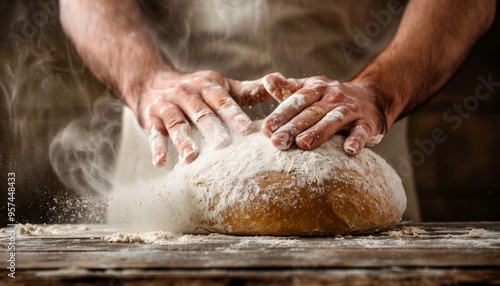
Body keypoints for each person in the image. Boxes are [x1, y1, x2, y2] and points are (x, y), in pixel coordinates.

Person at [58, 0, 495, 221]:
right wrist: (145, 80)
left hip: (350, 125)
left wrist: (382, 92)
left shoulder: (369, 106)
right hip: (176, 127)